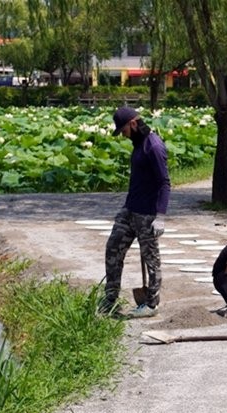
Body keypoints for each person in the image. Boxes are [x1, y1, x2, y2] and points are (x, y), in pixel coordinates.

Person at [98, 107, 171, 318]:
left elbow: (164, 183)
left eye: (123, 131)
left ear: (132, 124)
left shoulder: (154, 146)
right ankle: (110, 300)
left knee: (152, 259)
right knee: (113, 248)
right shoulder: (138, 144)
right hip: (130, 209)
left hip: (148, 213)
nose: (123, 135)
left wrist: (161, 216)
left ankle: (151, 305)